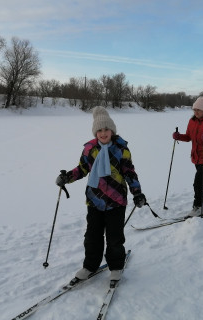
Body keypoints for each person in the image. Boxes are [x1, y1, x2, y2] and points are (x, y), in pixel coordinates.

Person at [56, 106, 146, 282]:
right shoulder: (90, 149)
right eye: (99, 130)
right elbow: (82, 168)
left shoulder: (121, 149)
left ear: (112, 130)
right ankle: (90, 265)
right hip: (95, 200)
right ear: (95, 132)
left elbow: (129, 172)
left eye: (106, 129)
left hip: (116, 201)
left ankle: (116, 266)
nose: (103, 133)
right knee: (92, 237)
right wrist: (67, 177)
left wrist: (137, 193)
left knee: (114, 238)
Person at [172, 96, 203, 216]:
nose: (196, 112)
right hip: (196, 156)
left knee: (198, 182)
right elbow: (188, 137)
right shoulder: (192, 121)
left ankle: (197, 206)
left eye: (198, 110)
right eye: (194, 110)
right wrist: (179, 136)